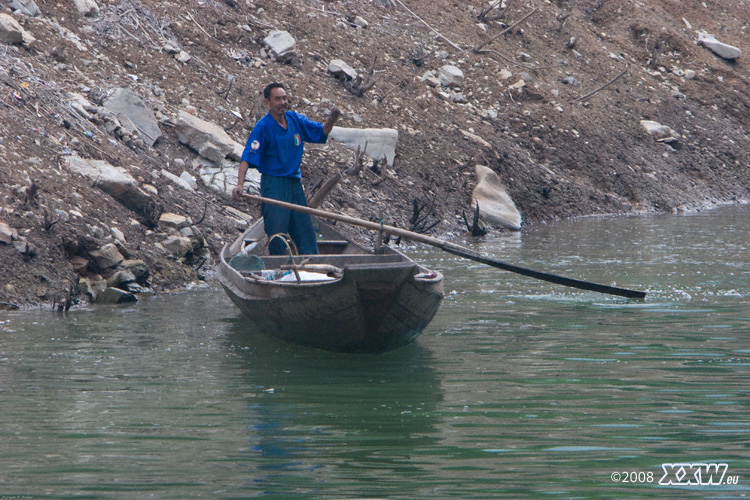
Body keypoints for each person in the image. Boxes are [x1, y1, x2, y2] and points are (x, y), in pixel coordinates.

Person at [232, 82, 341, 255]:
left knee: (305, 229)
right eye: (277, 99)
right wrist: (240, 184)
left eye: (284, 98)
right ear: (267, 102)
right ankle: (277, 267)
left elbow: (321, 131)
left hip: (294, 184)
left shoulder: (295, 119)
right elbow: (247, 158)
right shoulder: (263, 127)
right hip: (274, 185)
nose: (282, 102)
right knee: (277, 232)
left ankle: (312, 266)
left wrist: (332, 119)